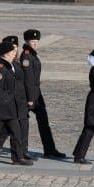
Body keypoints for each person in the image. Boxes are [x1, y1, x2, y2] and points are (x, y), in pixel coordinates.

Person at [21, 29, 66, 158]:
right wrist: (30, 98)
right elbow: (28, 80)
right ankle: (19, 150)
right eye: (32, 41)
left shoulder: (32, 54)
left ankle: (49, 149)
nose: (35, 42)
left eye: (37, 40)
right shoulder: (26, 56)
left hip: (37, 94)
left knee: (43, 122)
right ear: (27, 41)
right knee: (17, 123)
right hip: (29, 95)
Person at [0, 35, 35, 161]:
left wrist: (29, 97)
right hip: (11, 102)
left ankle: (20, 153)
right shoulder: (6, 66)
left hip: (20, 100)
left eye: (16, 48)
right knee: (2, 129)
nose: (15, 51)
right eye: (12, 49)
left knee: (18, 127)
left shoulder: (15, 63)